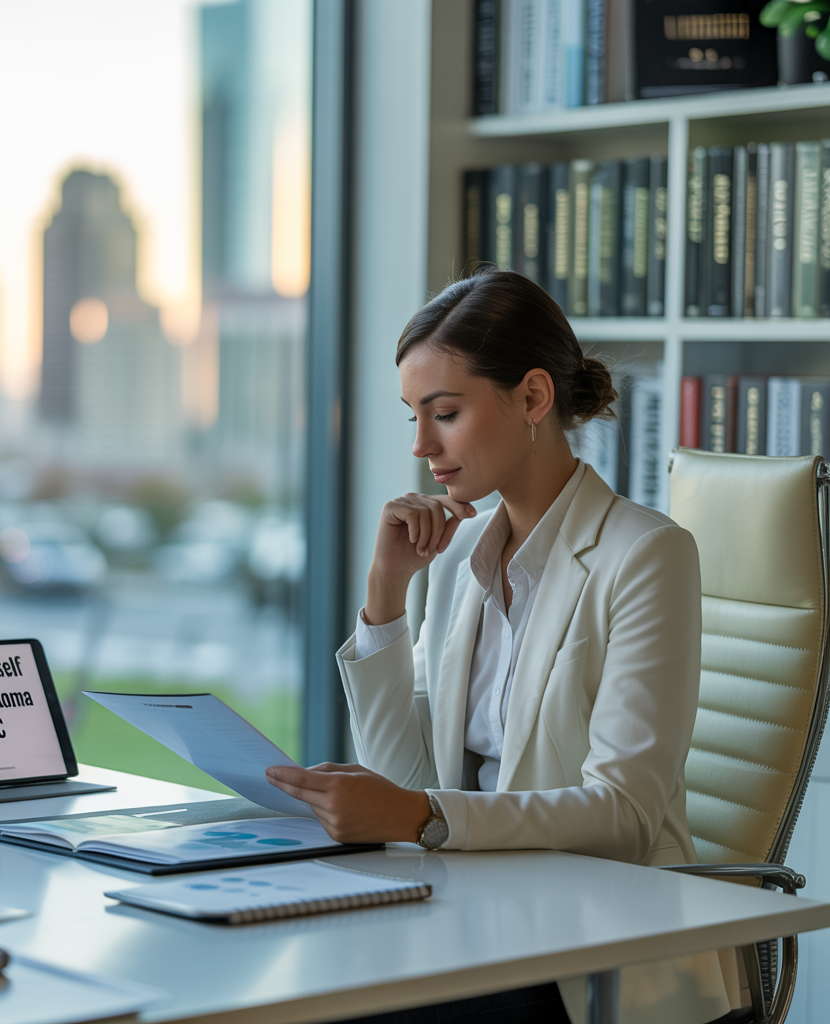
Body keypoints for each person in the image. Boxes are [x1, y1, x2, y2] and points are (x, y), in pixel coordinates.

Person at [266, 270, 734, 1024]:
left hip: (590, 948)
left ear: (533, 398)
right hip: (472, 919)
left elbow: (625, 816)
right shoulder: (458, 559)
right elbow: (403, 777)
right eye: (412, 416)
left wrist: (420, 817)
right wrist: (387, 591)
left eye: (444, 413)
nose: (422, 446)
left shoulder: (646, 554)